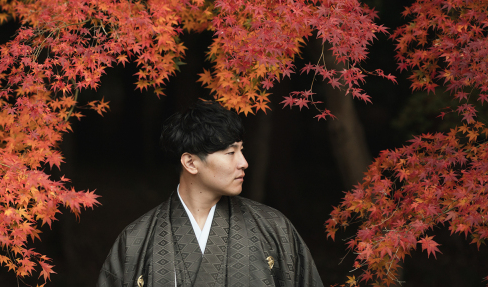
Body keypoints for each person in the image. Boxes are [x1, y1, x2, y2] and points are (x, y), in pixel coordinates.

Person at [97, 100, 324, 287]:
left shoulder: (273, 227)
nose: (243, 163)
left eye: (241, 150)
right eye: (230, 152)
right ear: (190, 163)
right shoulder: (137, 240)